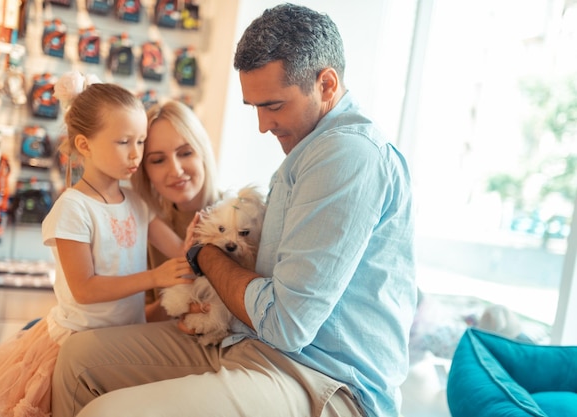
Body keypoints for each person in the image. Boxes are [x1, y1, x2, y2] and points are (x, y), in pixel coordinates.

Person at [52, 4, 417, 417]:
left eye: (274, 106)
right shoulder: (306, 153)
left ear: (327, 84)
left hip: (321, 380)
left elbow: (286, 323)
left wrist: (203, 254)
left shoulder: (347, 154)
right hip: (250, 345)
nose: (263, 125)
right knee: (78, 358)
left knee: (108, 413)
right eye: (255, 108)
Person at [0, 72, 194, 417]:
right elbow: (85, 290)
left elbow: (181, 250)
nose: (135, 154)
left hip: (125, 338)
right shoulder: (73, 208)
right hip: (79, 342)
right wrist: (155, 278)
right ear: (84, 145)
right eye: (123, 142)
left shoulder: (137, 203)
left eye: (140, 142)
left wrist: (207, 236)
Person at [130, 99, 222, 322]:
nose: (176, 170)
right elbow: (137, 318)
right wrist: (179, 297)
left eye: (185, 153)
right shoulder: (145, 230)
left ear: (202, 152)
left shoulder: (242, 216)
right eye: (158, 160)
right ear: (145, 171)